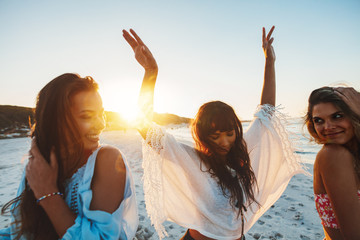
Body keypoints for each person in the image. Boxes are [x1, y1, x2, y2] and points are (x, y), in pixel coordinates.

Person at [123, 27, 305, 240]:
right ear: (202, 135)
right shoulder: (192, 159)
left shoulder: (243, 152)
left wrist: (269, 62)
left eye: (229, 133)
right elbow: (144, 125)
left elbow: (266, 112)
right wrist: (151, 72)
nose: (224, 142)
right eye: (214, 135)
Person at [0, 73, 138, 239]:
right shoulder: (39, 165)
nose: (101, 124)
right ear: (56, 121)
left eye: (101, 114)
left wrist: (48, 194)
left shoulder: (108, 160)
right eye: (87, 116)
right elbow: (20, 231)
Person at [305, 86, 360, 240]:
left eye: (337, 116)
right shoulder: (334, 155)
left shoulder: (350, 154)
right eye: (319, 120)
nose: (328, 127)